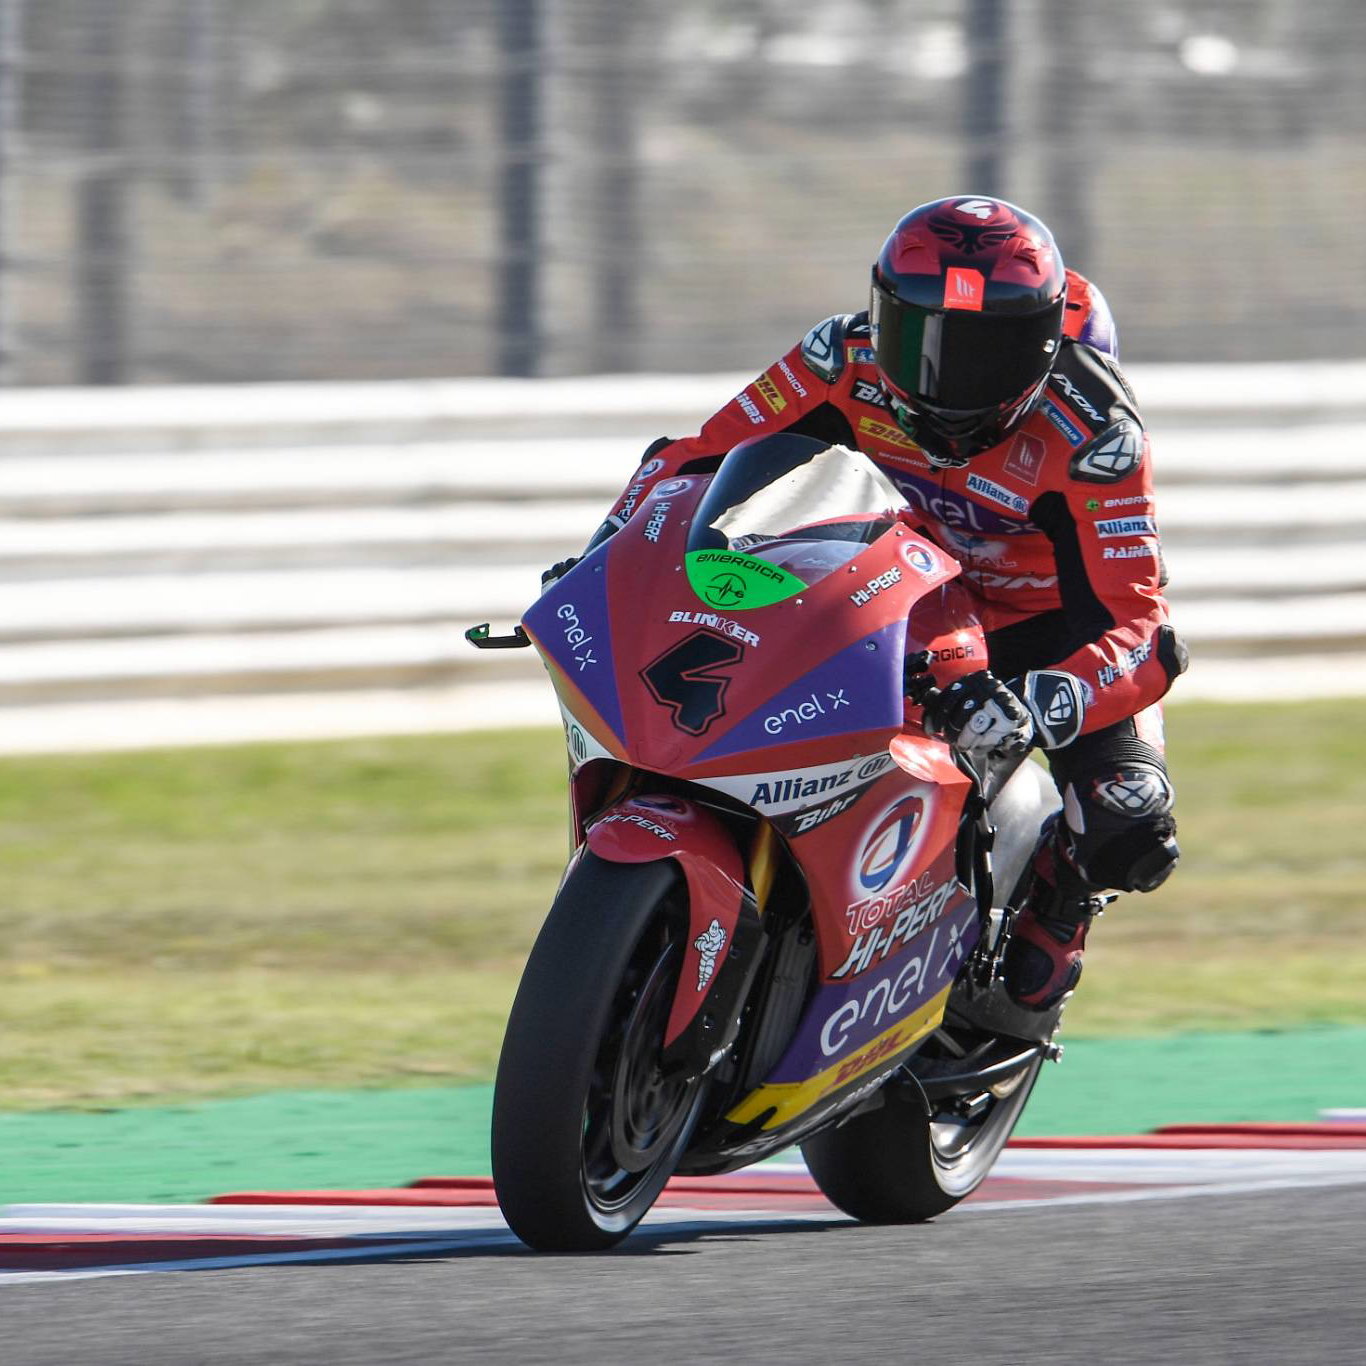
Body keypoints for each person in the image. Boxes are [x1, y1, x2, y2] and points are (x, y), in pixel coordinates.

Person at [556, 194, 1187, 1012]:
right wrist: (611, 546)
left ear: (1040, 347)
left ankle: (1056, 905)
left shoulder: (1096, 432)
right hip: (886, 593)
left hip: (1038, 631)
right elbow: (692, 460)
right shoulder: (835, 356)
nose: (941, 377)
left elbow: (1141, 622)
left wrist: (1048, 701)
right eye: (916, 336)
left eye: (982, 351)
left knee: (1131, 818)